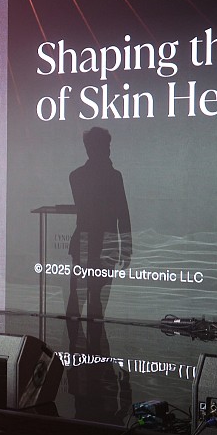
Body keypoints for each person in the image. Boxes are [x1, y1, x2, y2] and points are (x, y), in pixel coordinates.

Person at [66, 126, 132, 322]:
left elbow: (120, 213)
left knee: (81, 299)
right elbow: (121, 214)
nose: (108, 150)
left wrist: (126, 247)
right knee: (93, 300)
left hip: (90, 242)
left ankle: (76, 339)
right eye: (105, 146)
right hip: (101, 243)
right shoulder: (112, 176)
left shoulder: (77, 175)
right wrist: (126, 248)